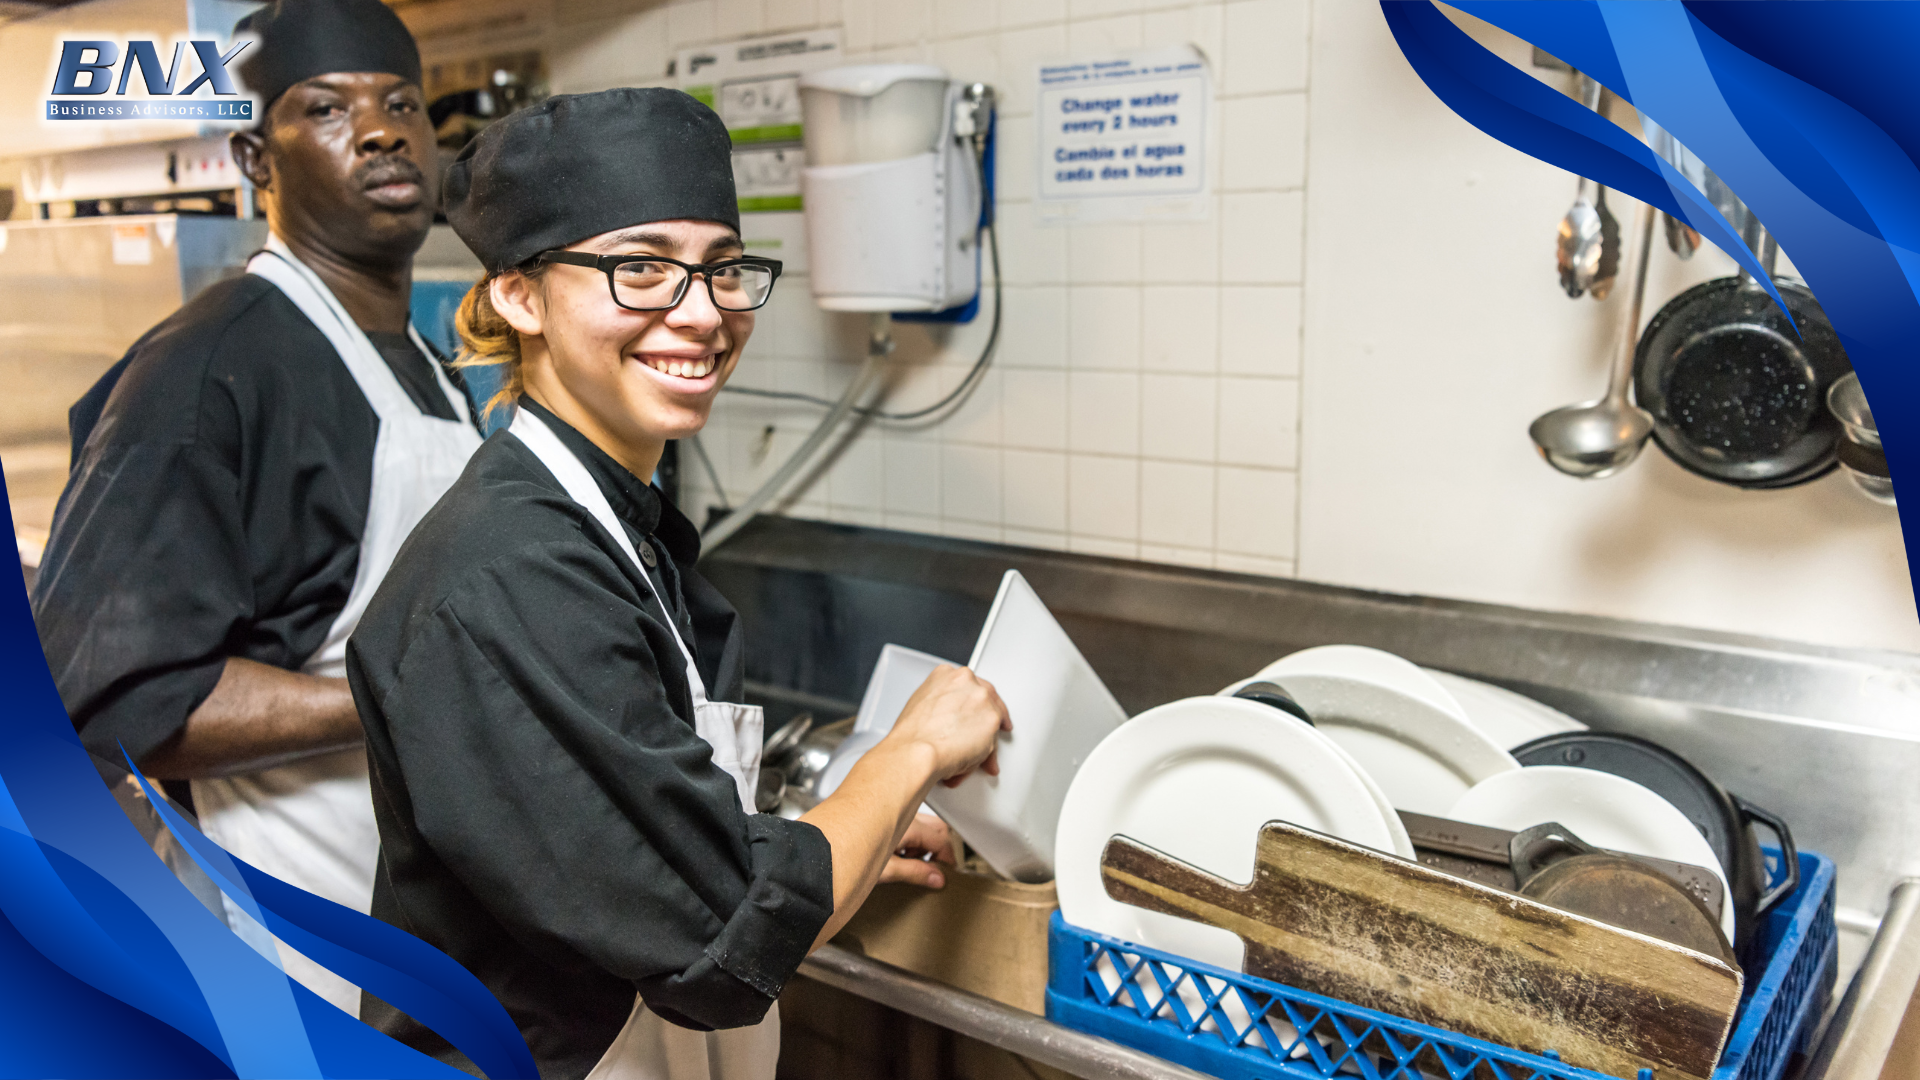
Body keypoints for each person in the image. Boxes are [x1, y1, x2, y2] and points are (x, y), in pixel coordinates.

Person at [345, 87, 1011, 1080]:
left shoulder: (617, 525)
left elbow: (658, 843)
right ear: (520, 296)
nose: (701, 315)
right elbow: (720, 939)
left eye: (721, 269)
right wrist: (910, 751)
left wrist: (847, 837)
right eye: (641, 268)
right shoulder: (508, 576)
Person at [30, 0, 479, 1012]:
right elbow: (103, 700)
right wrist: (405, 702)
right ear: (256, 160)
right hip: (278, 943)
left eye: (401, 103)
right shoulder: (208, 372)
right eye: (326, 108)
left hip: (407, 929)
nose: (380, 128)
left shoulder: (426, 369)